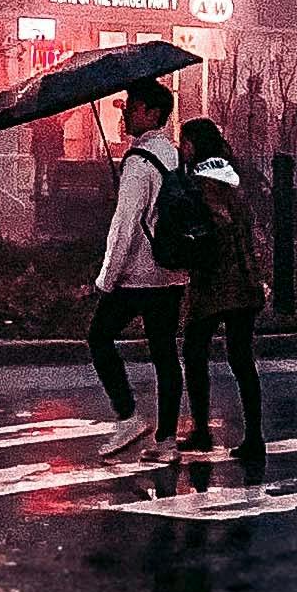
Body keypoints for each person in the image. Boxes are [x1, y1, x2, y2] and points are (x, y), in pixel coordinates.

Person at [87, 79, 187, 462]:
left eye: (133, 106)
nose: (126, 112)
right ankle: (166, 441)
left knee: (99, 336)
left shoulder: (139, 164)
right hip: (173, 271)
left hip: (139, 274)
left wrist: (107, 278)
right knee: (164, 353)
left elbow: (126, 223)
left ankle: (127, 415)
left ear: (153, 114)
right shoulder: (175, 156)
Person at [175, 115, 266, 465]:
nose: (182, 148)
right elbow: (243, 220)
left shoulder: (201, 181)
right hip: (245, 279)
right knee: (242, 360)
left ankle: (201, 430)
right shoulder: (231, 174)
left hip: (215, 280)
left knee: (195, 351)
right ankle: (253, 435)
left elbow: (215, 224)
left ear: (194, 145)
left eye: (185, 142)